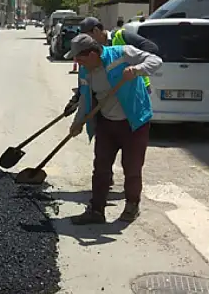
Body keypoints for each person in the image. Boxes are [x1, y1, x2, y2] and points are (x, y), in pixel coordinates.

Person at [65, 34, 162, 224]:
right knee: (100, 167)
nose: (78, 63)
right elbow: (85, 99)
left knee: (132, 167)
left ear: (93, 54)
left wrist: (137, 69)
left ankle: (132, 205)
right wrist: (78, 122)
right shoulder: (85, 71)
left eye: (80, 58)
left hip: (134, 122)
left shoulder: (122, 54)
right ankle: (96, 210)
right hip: (106, 123)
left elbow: (155, 60)